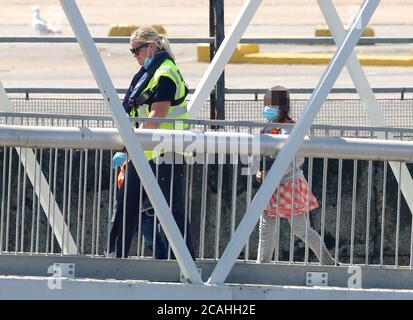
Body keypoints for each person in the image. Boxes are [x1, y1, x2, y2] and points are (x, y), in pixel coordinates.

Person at [108, 27, 195, 259]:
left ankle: (187, 262)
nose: (134, 55)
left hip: (166, 152)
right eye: (132, 51)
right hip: (147, 152)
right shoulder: (153, 72)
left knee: (171, 211)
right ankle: (115, 258)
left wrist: (132, 148)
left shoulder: (165, 74)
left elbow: (156, 118)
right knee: (126, 206)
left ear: (152, 48)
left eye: (136, 50)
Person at [256, 86, 336, 265]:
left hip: (288, 184)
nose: (267, 109)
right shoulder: (269, 128)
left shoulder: (292, 128)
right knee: (266, 228)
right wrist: (260, 171)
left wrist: (272, 172)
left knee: (301, 229)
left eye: (270, 104)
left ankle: (328, 261)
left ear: (281, 107)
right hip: (271, 185)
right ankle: (262, 265)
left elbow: (297, 158)